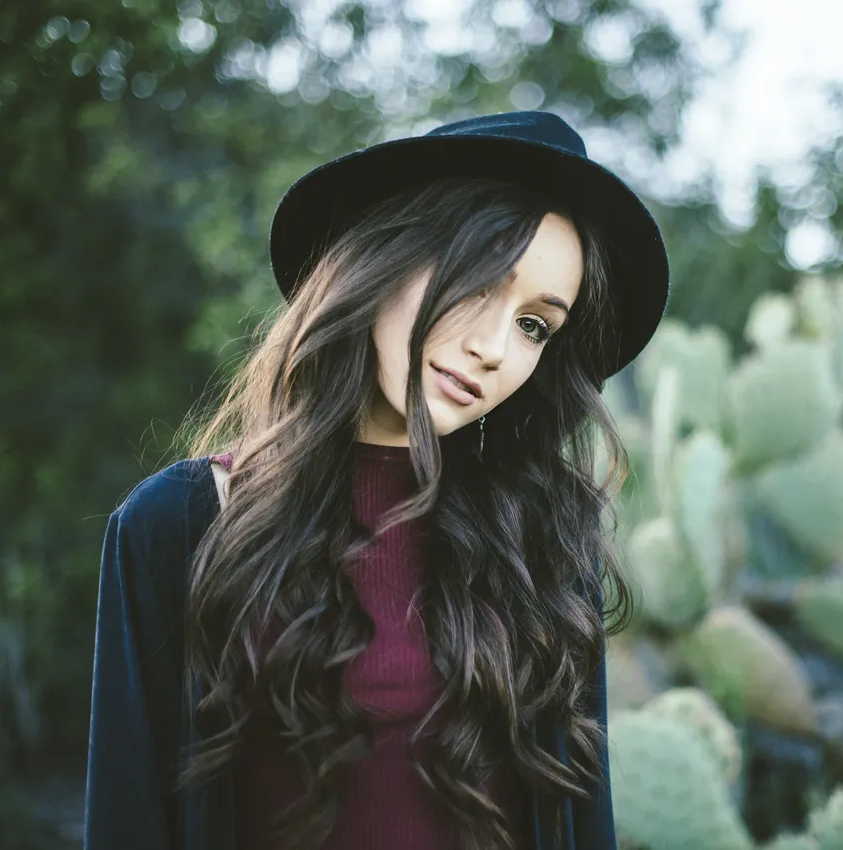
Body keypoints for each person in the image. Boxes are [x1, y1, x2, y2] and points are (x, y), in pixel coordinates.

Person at [82, 110, 670, 850]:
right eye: (479, 282)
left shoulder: (543, 541)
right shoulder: (183, 522)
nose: (494, 347)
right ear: (385, 259)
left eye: (534, 326)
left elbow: (581, 824)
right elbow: (129, 819)